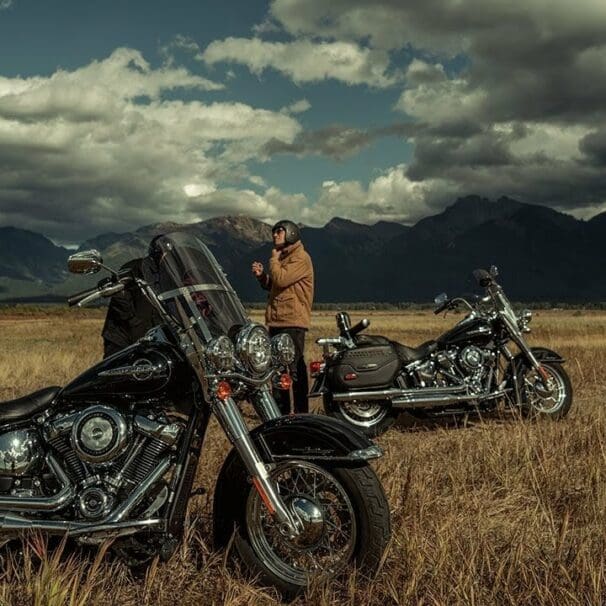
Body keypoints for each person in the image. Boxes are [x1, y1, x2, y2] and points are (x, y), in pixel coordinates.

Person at [252, 220, 314, 415]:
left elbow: (281, 279)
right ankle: (281, 411)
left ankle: (301, 411)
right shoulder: (285, 258)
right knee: (277, 369)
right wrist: (262, 277)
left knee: (295, 369)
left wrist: (273, 260)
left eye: (279, 231)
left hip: (292, 321)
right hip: (278, 320)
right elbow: (276, 285)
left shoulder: (300, 258)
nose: (275, 235)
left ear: (291, 233)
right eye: (274, 232)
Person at [101, 237, 164, 358]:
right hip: (123, 335)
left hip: (155, 336)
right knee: (118, 370)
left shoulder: (173, 273)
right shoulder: (133, 268)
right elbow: (121, 303)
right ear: (156, 253)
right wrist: (116, 287)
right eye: (163, 254)